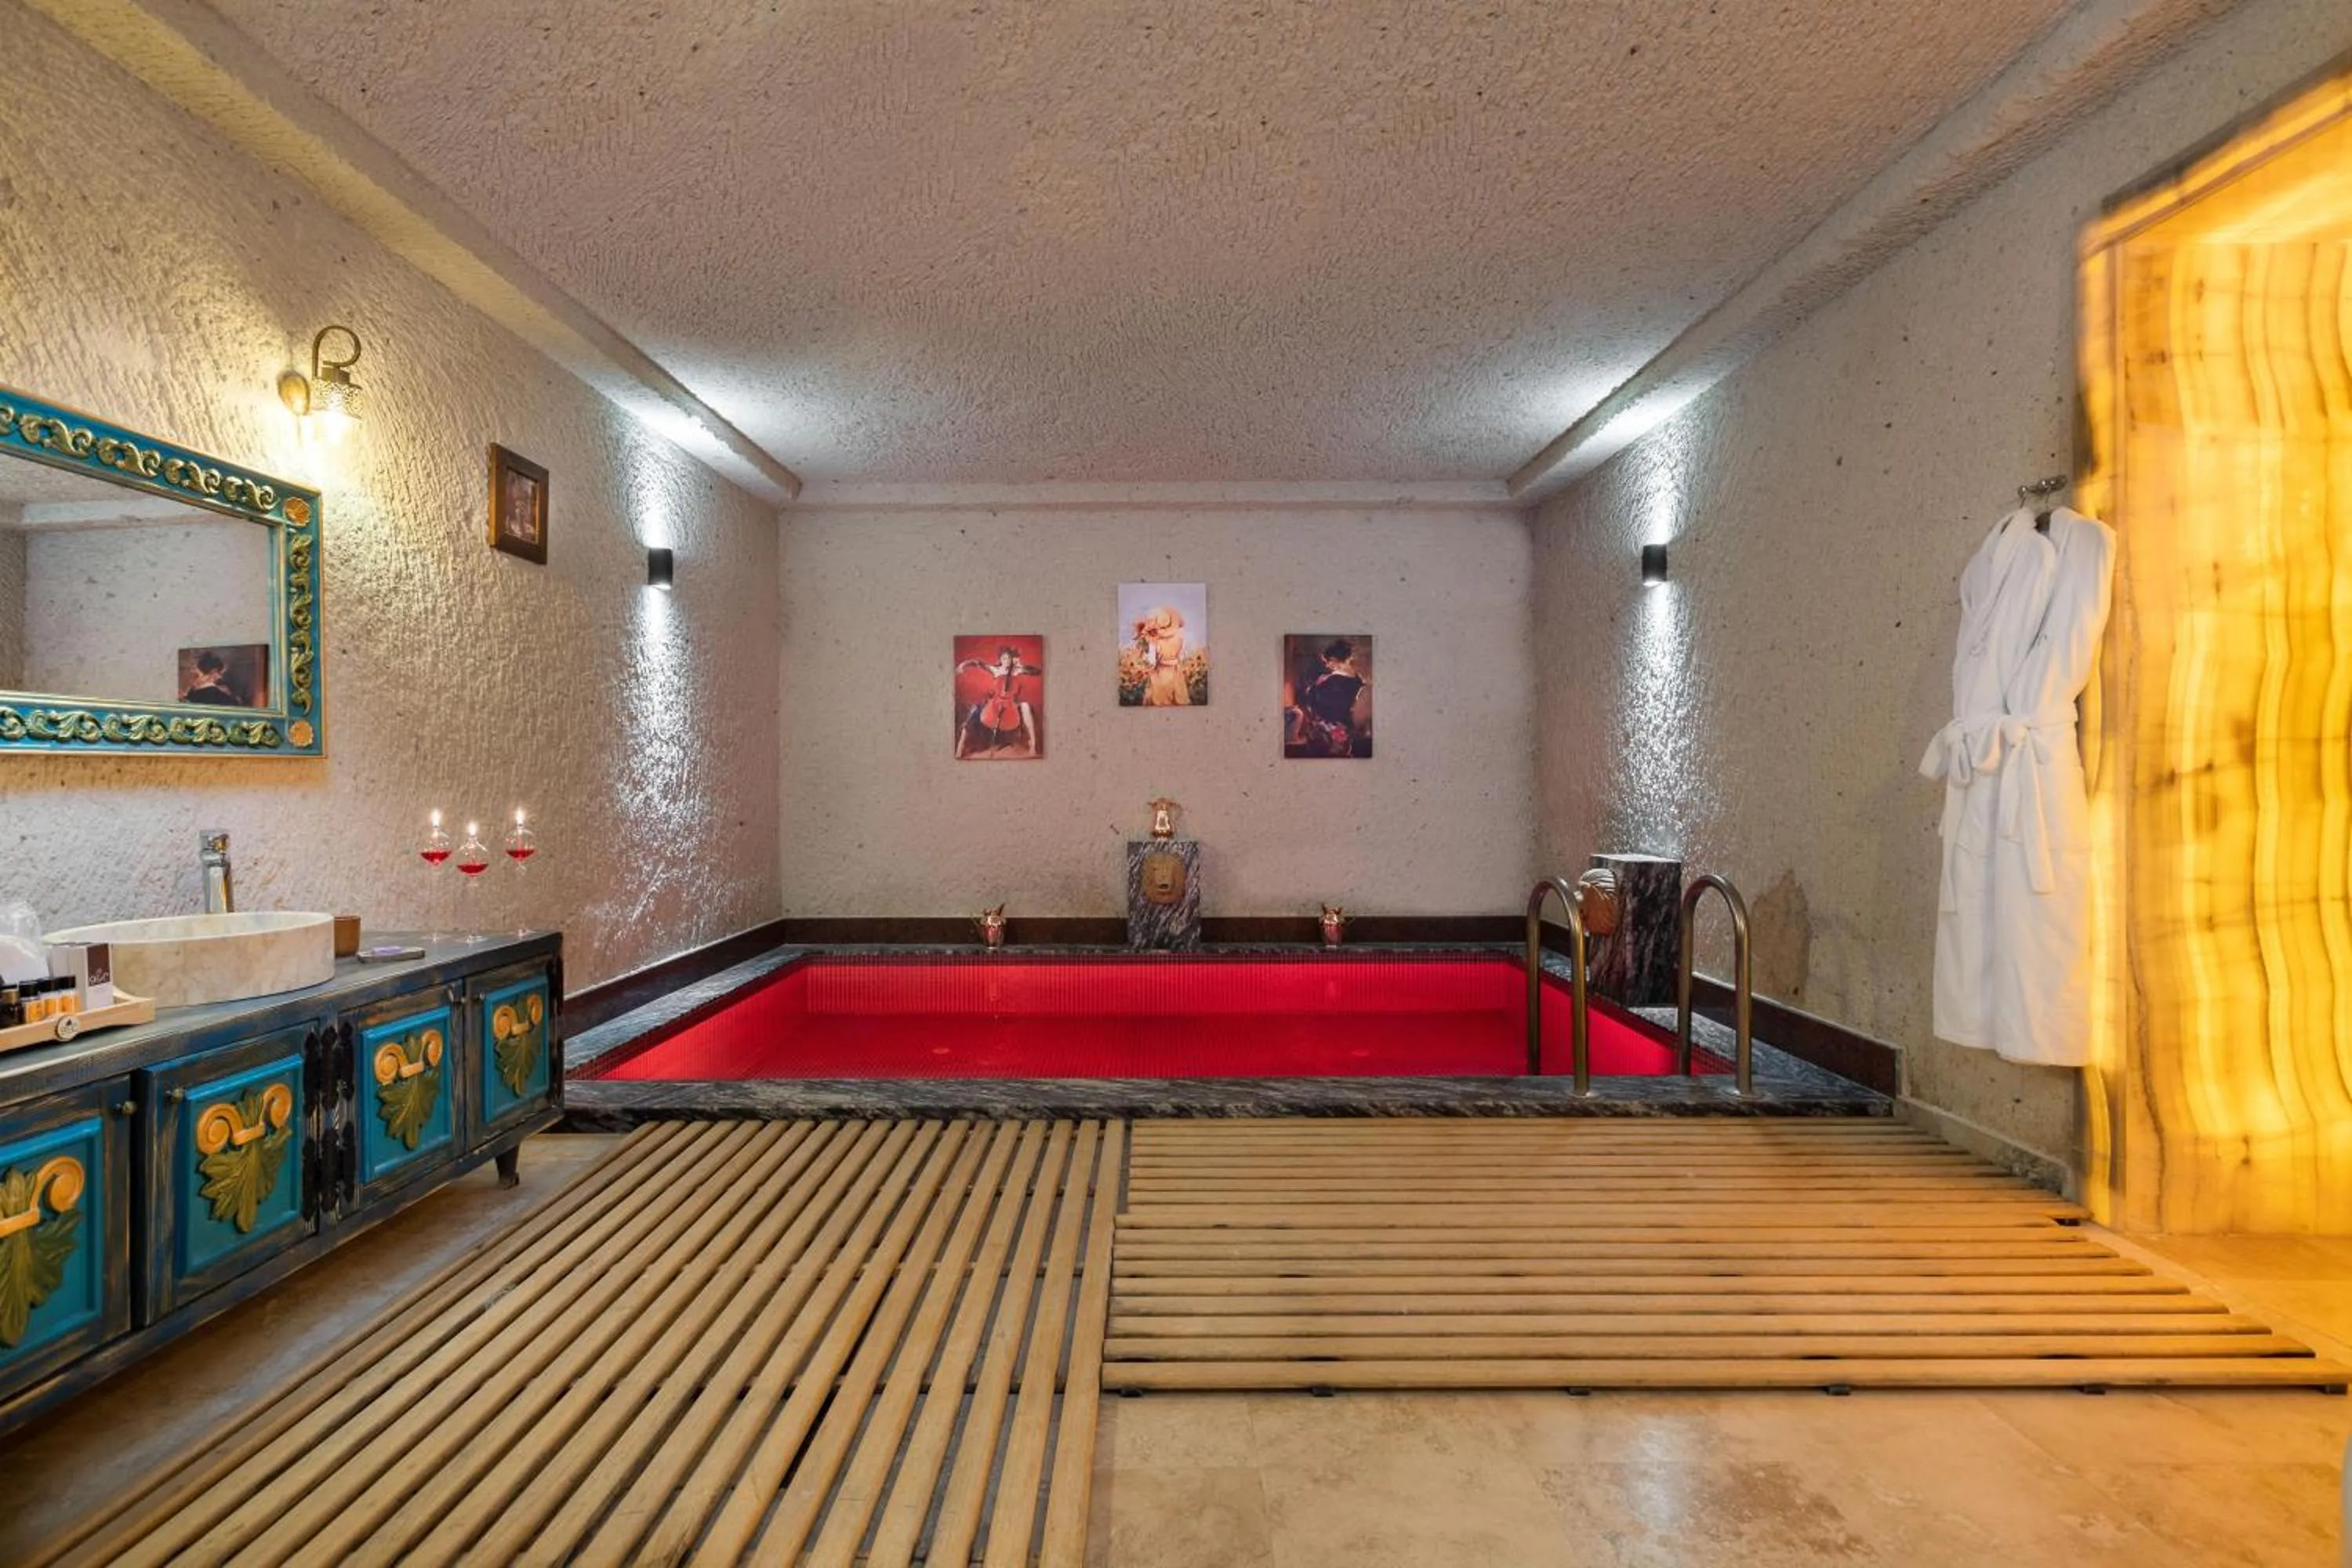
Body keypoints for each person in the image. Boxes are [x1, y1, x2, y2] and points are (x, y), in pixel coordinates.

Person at [1287, 638, 1370, 757]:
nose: (1328, 664)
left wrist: (1313, 690)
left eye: (1329, 661)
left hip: (1334, 726)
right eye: (1326, 661)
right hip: (1340, 725)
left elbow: (1315, 700)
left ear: (1336, 660)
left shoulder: (1334, 680)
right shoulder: (1355, 679)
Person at [956, 646, 1041, 757]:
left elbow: (1036, 672)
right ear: (1000, 660)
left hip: (1011, 704)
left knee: (1025, 706)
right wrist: (964, 665)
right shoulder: (995, 669)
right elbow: (977, 663)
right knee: (974, 709)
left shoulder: (1017, 670)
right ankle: (960, 747)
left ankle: (1033, 745)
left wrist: (1021, 666)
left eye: (1009, 659)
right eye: (1004, 658)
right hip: (994, 703)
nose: (1007, 661)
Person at [1133, 607, 1191, 706]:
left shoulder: (1154, 641)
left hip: (1159, 676)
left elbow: (1151, 663)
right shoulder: (1180, 637)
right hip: (1176, 674)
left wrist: (1142, 660)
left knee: (1158, 704)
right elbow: (1183, 656)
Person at [180, 650, 247, 707]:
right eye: (220, 673)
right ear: (214, 671)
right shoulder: (215, 693)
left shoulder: (191, 691)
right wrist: (233, 698)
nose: (220, 677)